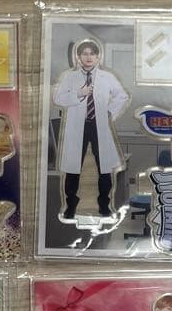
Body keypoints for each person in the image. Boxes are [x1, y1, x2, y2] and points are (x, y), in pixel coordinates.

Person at [52, 39, 130, 219]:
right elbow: (58, 99)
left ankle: (104, 205)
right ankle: (71, 205)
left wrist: (109, 111)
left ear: (97, 57)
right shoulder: (70, 77)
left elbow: (122, 96)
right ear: (79, 57)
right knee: (73, 167)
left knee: (104, 167)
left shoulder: (107, 77)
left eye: (92, 54)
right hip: (77, 126)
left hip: (98, 125)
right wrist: (79, 93)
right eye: (85, 54)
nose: (88, 57)